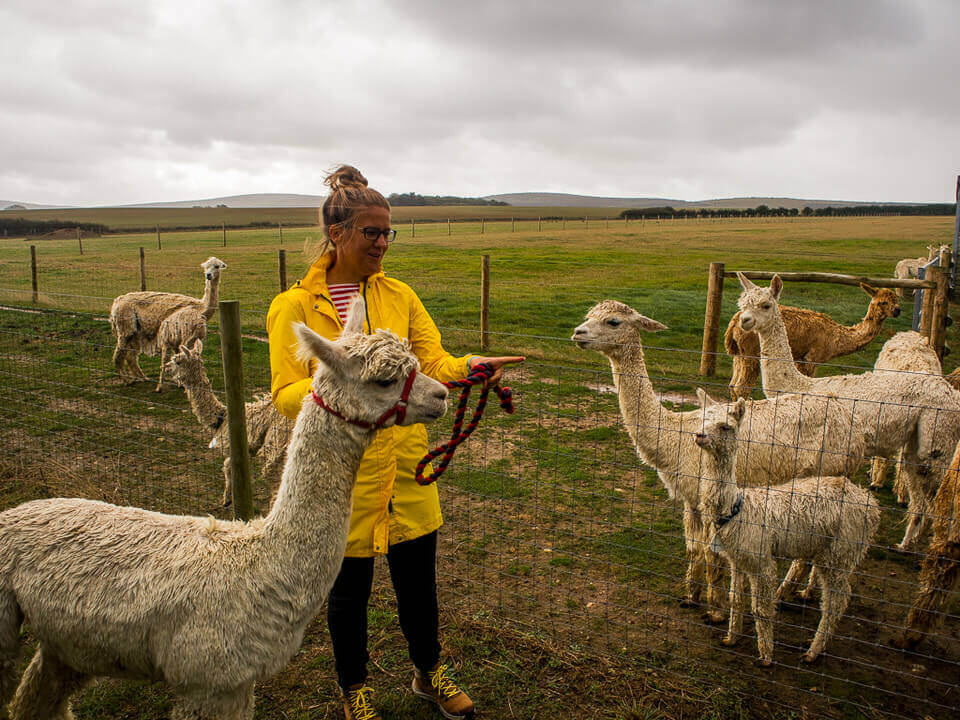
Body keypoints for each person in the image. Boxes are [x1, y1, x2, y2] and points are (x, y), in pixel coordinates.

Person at [267, 165, 524, 720]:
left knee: (418, 585)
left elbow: (429, 361)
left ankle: (429, 673)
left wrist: (469, 367)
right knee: (348, 594)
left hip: (406, 462)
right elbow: (284, 391)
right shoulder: (293, 308)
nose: (383, 243)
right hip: (342, 474)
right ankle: (353, 689)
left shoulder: (400, 295)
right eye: (372, 233)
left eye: (389, 233)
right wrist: (337, 397)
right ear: (338, 234)